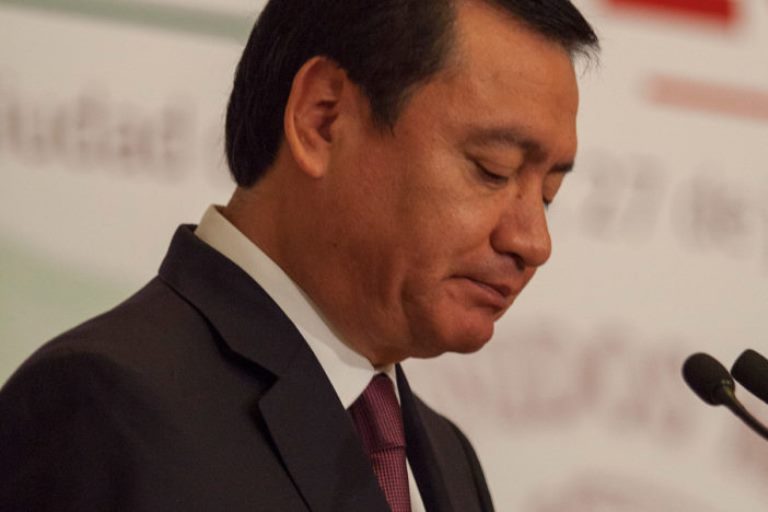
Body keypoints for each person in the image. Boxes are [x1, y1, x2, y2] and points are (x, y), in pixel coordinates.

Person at [0, 0, 599, 510]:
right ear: (323, 119)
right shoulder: (101, 409)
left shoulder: (447, 458)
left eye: (548, 194)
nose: (533, 242)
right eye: (493, 169)